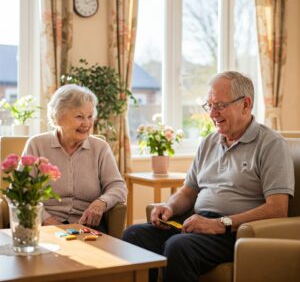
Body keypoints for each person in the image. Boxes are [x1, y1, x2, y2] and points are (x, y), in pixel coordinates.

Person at [122, 71, 295, 282]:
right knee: (133, 235)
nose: (213, 113)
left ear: (246, 104)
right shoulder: (209, 142)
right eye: (210, 105)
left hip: (235, 232)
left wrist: (221, 224)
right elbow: (188, 190)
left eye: (220, 105)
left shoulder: (271, 145)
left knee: (178, 247)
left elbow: (278, 209)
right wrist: (170, 206)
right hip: (199, 221)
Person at [22, 84, 127, 232]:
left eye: (90, 117)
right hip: (42, 226)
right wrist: (46, 220)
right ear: (58, 118)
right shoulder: (37, 145)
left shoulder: (100, 148)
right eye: (79, 117)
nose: (87, 124)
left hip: (87, 226)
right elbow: (22, 190)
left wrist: (101, 202)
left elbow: (118, 186)